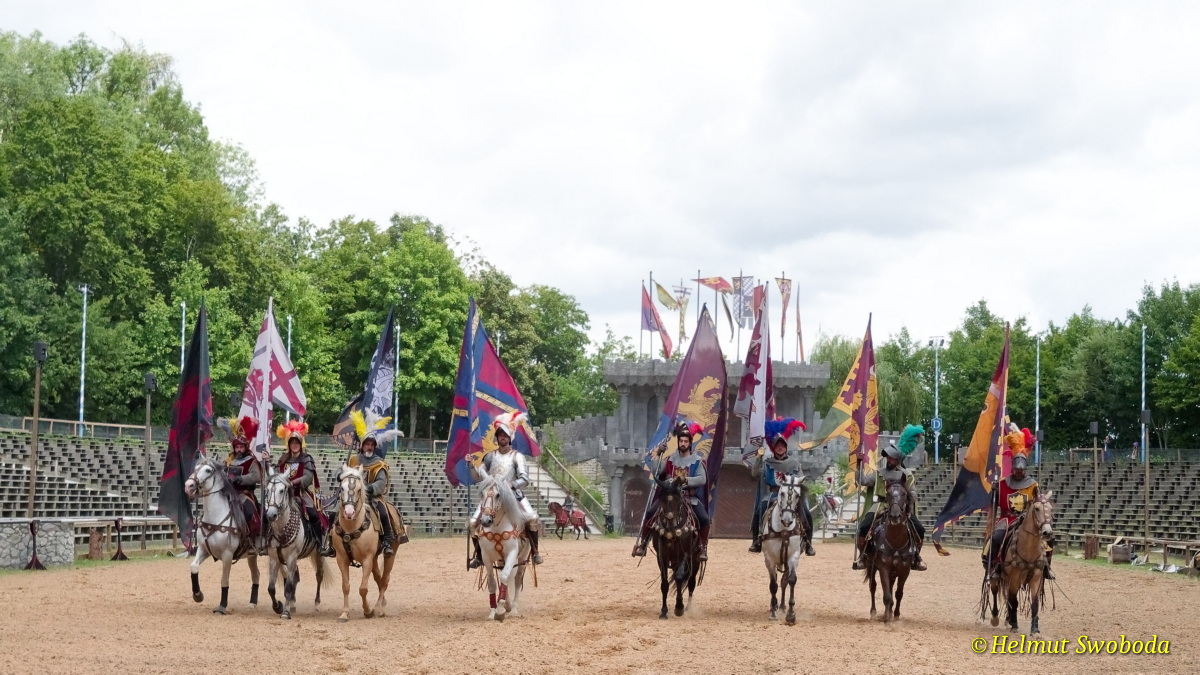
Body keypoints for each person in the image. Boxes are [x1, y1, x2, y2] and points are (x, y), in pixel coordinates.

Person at [468, 412, 544, 568]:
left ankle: (535, 552)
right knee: (473, 522)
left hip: (513, 495)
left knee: (532, 518)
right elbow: (478, 477)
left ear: (510, 437)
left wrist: (512, 484)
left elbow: (525, 479)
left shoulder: (517, 456)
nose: (502, 437)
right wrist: (470, 465)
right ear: (497, 437)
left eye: (505, 435)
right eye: (500, 435)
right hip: (492, 495)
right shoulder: (489, 456)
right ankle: (479, 555)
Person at [631, 421, 712, 561]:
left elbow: (702, 479)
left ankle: (702, 547)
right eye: (681, 441)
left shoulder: (697, 461)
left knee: (704, 519)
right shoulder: (670, 459)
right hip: (669, 497)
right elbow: (656, 472)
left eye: (686, 441)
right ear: (678, 442)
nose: (683, 444)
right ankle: (643, 544)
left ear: (690, 443)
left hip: (688, 498)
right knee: (650, 513)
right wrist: (658, 454)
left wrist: (685, 480)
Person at [851, 424, 928, 571]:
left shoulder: (907, 475)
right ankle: (863, 557)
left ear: (898, 459)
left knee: (919, 529)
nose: (888, 460)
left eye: (892, 458)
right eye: (888, 457)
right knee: (864, 527)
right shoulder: (879, 473)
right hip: (881, 505)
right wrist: (859, 465)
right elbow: (863, 481)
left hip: (901, 507)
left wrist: (906, 501)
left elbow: (913, 493)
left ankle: (916, 557)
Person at [985, 426, 1053, 579]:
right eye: (1016, 470)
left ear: (1025, 469)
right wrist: (994, 490)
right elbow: (993, 505)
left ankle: (1046, 567)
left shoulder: (1032, 485)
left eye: (1021, 470)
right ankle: (994, 566)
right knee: (996, 538)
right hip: (1006, 519)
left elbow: (1038, 504)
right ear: (1013, 468)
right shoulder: (1002, 484)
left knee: (1049, 538)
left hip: (1027, 520)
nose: (1019, 472)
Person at [748, 417, 814, 556]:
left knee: (806, 512)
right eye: (777, 445)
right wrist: (759, 457)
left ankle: (808, 542)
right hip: (773, 494)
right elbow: (754, 474)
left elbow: (801, 478)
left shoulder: (794, 463)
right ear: (774, 447)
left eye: (782, 445)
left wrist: (795, 483)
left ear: (786, 447)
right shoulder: (767, 463)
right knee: (760, 510)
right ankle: (756, 540)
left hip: (791, 494)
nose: (780, 447)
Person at [348, 409, 406, 556]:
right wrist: (339, 475)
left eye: (371, 444)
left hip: (372, 497)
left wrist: (367, 489)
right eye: (366, 444)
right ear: (362, 445)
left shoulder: (379, 463)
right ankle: (330, 540)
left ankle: (387, 541)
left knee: (384, 513)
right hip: (353, 496)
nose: (369, 447)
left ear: (374, 446)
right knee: (336, 512)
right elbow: (344, 473)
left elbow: (381, 483)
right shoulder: (353, 460)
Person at [275, 420, 327, 530]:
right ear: (289, 444)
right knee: (270, 510)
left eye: (297, 443)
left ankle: (317, 538)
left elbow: (308, 477)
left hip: (301, 492)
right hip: (283, 492)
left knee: (313, 514)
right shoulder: (283, 458)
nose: (294, 445)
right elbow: (276, 474)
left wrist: (293, 482)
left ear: (300, 444)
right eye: (292, 443)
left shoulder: (306, 458)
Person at [220, 416, 262, 540]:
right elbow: (221, 473)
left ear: (245, 447)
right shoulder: (228, 460)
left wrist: (240, 479)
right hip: (228, 493)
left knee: (250, 512)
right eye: (237, 447)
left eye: (241, 447)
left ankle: (253, 537)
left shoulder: (251, 460)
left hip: (244, 494)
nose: (239, 450)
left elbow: (256, 476)